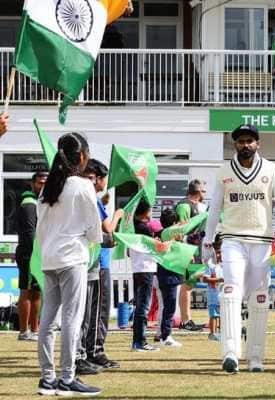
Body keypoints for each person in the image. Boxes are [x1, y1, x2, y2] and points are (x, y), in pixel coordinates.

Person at [202, 124, 275, 374]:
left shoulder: (271, 170)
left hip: (261, 241)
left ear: (258, 143)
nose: (245, 145)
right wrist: (208, 240)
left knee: (259, 297)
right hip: (232, 238)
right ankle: (230, 353)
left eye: (250, 141)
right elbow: (215, 207)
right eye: (241, 141)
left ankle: (256, 357)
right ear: (235, 145)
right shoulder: (224, 171)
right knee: (230, 290)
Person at [36, 132, 103, 396]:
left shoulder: (47, 189)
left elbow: (42, 229)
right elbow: (95, 231)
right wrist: (93, 237)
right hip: (72, 258)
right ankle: (67, 378)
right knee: (72, 319)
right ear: (83, 157)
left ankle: (47, 378)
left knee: (48, 320)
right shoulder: (81, 185)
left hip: (49, 258)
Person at [75, 160, 124, 375]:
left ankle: (90, 351)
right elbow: (107, 230)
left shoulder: (92, 199)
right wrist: (118, 215)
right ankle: (92, 351)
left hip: (94, 261)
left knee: (92, 312)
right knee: (95, 312)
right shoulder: (90, 199)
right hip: (97, 262)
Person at [15, 171, 48, 341]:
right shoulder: (29, 203)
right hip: (29, 254)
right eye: (40, 182)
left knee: (36, 292)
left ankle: (35, 330)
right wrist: (34, 255)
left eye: (45, 183)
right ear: (33, 184)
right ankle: (23, 332)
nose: (43, 186)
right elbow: (29, 234)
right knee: (26, 291)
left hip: (38, 253)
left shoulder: (40, 203)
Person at [176, 179, 206, 332]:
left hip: (196, 250)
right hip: (189, 251)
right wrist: (188, 253)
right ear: (198, 192)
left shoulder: (195, 206)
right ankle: (185, 320)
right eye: (204, 191)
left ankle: (187, 318)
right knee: (187, 285)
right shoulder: (184, 205)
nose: (205, 193)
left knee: (190, 284)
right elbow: (182, 230)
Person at [131, 200, 160, 352]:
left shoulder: (133, 227)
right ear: (145, 211)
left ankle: (138, 340)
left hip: (137, 268)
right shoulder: (144, 229)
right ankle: (140, 341)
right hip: (145, 268)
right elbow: (157, 248)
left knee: (140, 306)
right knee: (143, 306)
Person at [156, 208, 184, 348]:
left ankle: (163, 334)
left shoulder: (160, 234)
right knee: (169, 307)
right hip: (169, 275)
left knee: (167, 306)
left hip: (165, 275)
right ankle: (166, 335)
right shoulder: (166, 236)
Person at [201, 236, 224, 342]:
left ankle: (222, 332)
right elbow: (205, 279)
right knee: (213, 314)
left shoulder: (225, 265)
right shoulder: (210, 265)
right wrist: (218, 279)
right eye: (217, 252)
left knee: (223, 314)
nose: (219, 255)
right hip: (213, 294)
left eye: (221, 252)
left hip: (223, 294)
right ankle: (212, 333)